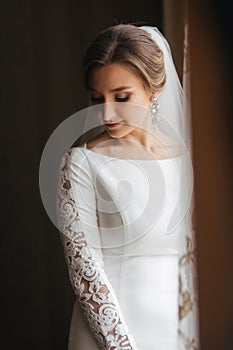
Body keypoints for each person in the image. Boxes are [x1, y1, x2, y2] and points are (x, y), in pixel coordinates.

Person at [56, 23, 200, 349]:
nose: (106, 113)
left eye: (121, 97)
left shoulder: (189, 160)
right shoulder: (82, 163)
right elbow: (85, 273)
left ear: (152, 89)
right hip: (109, 335)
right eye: (97, 98)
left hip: (176, 332)